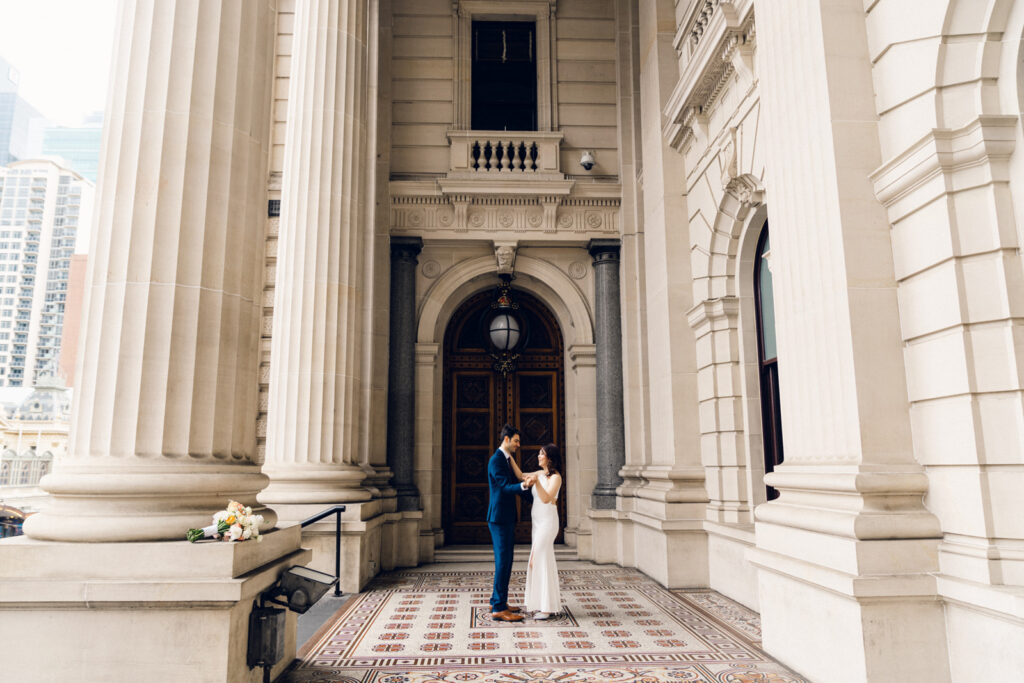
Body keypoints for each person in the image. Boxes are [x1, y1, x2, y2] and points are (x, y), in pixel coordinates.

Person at [487, 423, 536, 622]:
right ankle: (499, 607)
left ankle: (498, 600)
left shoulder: (507, 460)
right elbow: (505, 487)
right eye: (516, 441)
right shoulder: (496, 460)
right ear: (506, 439)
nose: (518, 444)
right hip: (499, 518)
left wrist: (536, 499)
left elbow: (512, 485)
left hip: (505, 517)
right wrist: (524, 485)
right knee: (503, 562)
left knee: (506, 561)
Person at [510, 443, 562, 619]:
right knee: (537, 560)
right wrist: (508, 456)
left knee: (539, 559)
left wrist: (536, 483)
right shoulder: (540, 474)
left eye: (542, 454)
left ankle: (546, 608)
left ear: (549, 458)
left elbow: (547, 498)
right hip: (538, 523)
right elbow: (519, 475)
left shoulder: (556, 478)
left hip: (548, 523)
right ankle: (541, 603)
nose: (539, 456)